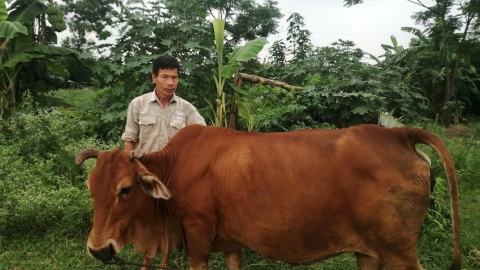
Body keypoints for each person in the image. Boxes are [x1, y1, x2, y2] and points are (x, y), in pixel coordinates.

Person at [121, 55, 206, 269]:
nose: (170, 83)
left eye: (174, 77)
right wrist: (132, 169)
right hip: (145, 170)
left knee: (169, 217)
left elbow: (202, 135)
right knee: (146, 218)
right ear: (154, 77)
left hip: (174, 173)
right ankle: (146, 261)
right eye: (165, 77)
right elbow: (130, 139)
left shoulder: (186, 109)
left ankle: (165, 261)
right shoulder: (138, 104)